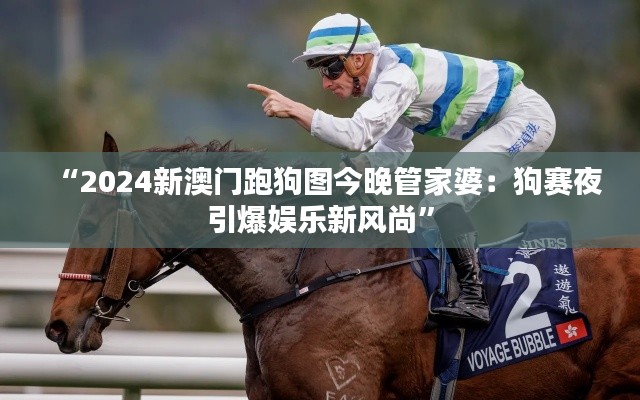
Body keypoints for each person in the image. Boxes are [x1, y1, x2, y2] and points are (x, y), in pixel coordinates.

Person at [247, 13, 556, 327]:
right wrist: (351, 174)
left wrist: (296, 109)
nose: (326, 82)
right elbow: (396, 147)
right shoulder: (389, 79)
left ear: (357, 60)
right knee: (429, 213)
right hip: (508, 119)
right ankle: (451, 294)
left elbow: (356, 135)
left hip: (525, 119)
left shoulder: (398, 77)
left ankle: (476, 299)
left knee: (444, 196)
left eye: (331, 68)